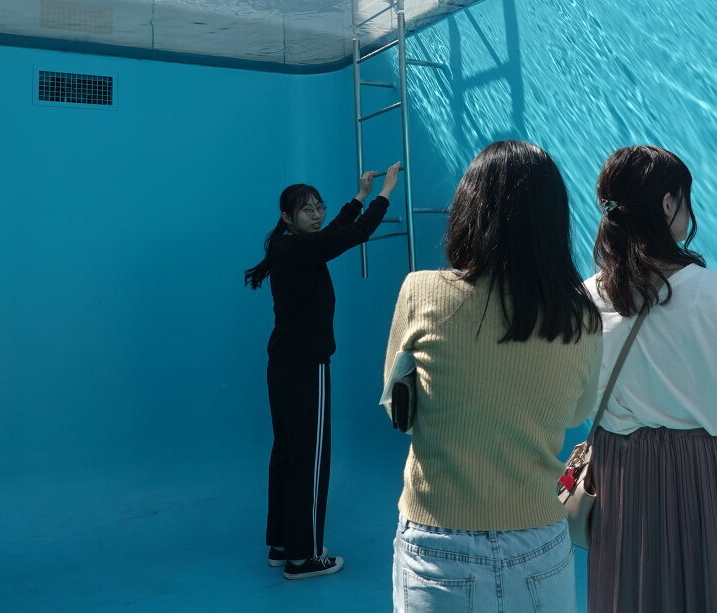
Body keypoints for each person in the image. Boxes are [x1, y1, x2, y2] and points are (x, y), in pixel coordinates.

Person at [384, 140, 602, 613]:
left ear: (468, 209)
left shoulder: (420, 292)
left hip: (437, 539)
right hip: (539, 539)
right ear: (553, 221)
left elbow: (398, 411)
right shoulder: (580, 315)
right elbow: (578, 412)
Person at [583, 146, 717, 613]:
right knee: (710, 588)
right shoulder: (716, 291)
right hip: (708, 468)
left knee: (632, 590)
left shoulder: (588, 297)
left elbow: (578, 395)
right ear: (667, 203)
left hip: (622, 470)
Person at [245, 162, 401, 580]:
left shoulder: (288, 245)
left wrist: (360, 196)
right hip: (305, 368)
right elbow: (354, 234)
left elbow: (333, 232)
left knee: (288, 454)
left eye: (319, 207)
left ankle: (283, 544)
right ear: (286, 217)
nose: (316, 215)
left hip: (283, 367)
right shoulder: (301, 249)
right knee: (310, 461)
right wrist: (385, 192)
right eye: (307, 210)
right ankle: (304, 558)